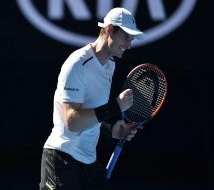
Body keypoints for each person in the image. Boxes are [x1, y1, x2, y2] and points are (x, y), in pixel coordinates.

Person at [39, 7, 144, 190]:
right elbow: (72, 121)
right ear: (110, 29)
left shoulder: (109, 66)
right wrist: (115, 106)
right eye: (127, 37)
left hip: (88, 164)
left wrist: (111, 129)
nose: (129, 44)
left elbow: (89, 116)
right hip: (61, 160)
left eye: (131, 39)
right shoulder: (77, 64)